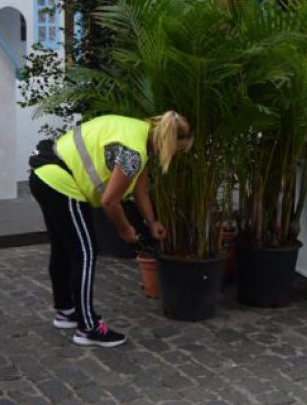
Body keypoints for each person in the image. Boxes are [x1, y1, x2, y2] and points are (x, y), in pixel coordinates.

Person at [29, 111, 193, 348]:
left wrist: (151, 222)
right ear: (168, 142)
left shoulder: (138, 132)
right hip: (62, 183)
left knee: (64, 250)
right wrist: (126, 231)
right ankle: (88, 328)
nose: (173, 156)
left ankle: (65, 311)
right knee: (85, 254)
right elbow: (110, 201)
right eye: (177, 150)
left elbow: (140, 190)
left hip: (44, 174)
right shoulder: (133, 152)